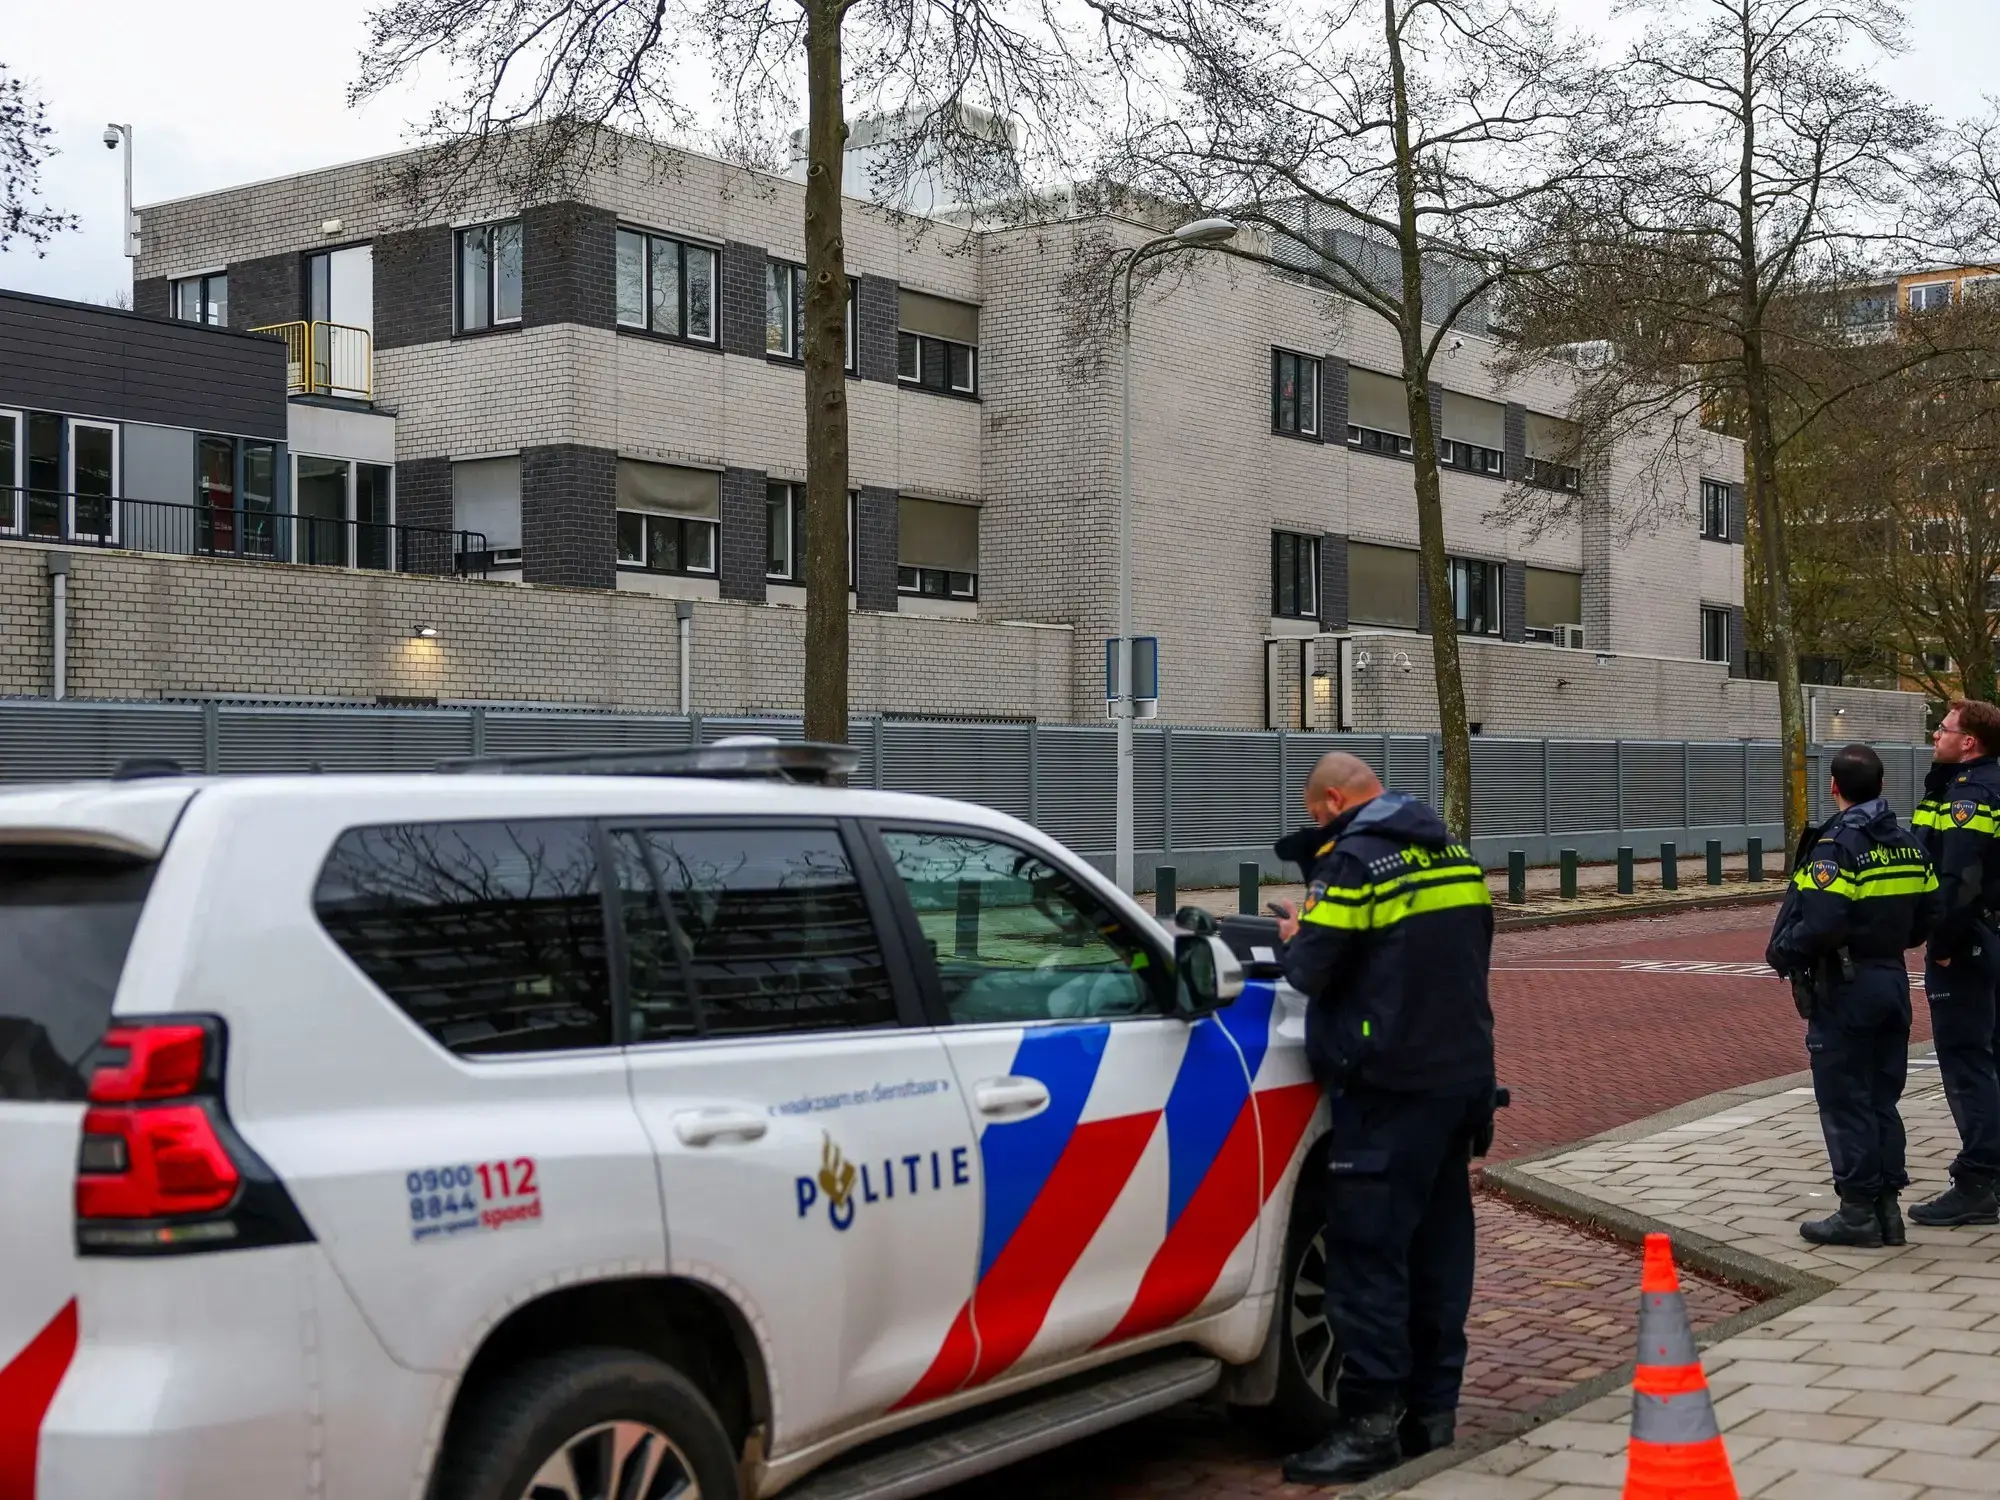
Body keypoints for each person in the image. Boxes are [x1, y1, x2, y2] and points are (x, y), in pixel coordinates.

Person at [1269, 752, 1495, 1485]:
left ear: (1333, 801)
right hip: (1458, 1080)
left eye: (1315, 818)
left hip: (1386, 1088)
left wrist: (1299, 931)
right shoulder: (1453, 854)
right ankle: (1433, 1413)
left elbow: (1309, 970)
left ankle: (1368, 1427)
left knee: (1368, 1260)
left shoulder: (1355, 863)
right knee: (1439, 1253)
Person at [1766, 744, 1938, 1247]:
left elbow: (1821, 923)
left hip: (1846, 987)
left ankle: (1857, 1211)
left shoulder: (1836, 846)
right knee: (1883, 1098)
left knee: (1845, 1100)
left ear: (1834, 787)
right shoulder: (1908, 843)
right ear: (1881, 786)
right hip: (1892, 981)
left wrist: (1783, 951)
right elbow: (1927, 917)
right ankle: (1888, 1210)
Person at [1909, 699, 2000, 1227]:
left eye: (1943, 728)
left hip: (1967, 943)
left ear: (1969, 742)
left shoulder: (1969, 795)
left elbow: (1957, 877)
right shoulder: (1957, 785)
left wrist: (1940, 940)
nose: (1936, 735)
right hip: (1987, 936)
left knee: (1968, 1062)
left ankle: (1977, 1182)